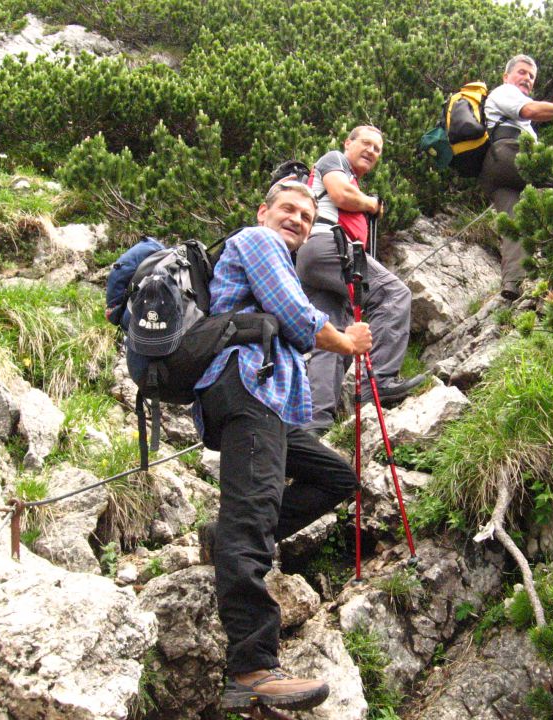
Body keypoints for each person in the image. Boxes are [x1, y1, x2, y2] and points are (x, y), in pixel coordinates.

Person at [192, 181, 372, 713]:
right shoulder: (258, 240)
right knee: (254, 515)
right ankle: (251, 667)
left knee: (337, 478)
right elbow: (296, 317)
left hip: (264, 403)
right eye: (287, 208)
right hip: (246, 391)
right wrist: (347, 341)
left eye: (306, 213)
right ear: (263, 211)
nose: (296, 218)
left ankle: (220, 538)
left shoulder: (273, 253)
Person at [294, 125, 424, 434]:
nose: (372, 151)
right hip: (330, 246)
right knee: (393, 295)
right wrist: (371, 203)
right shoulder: (334, 160)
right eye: (366, 143)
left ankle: (318, 421)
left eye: (378, 149)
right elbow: (341, 194)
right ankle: (379, 384)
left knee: (332, 337)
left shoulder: (348, 173)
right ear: (347, 143)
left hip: (312, 258)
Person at [480, 54, 553, 300]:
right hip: (510, 154)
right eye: (522, 72)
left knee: (514, 223)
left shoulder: (504, 99)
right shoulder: (504, 91)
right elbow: (530, 109)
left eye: (531, 76)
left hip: (496, 171)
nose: (527, 78)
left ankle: (513, 284)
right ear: (506, 76)